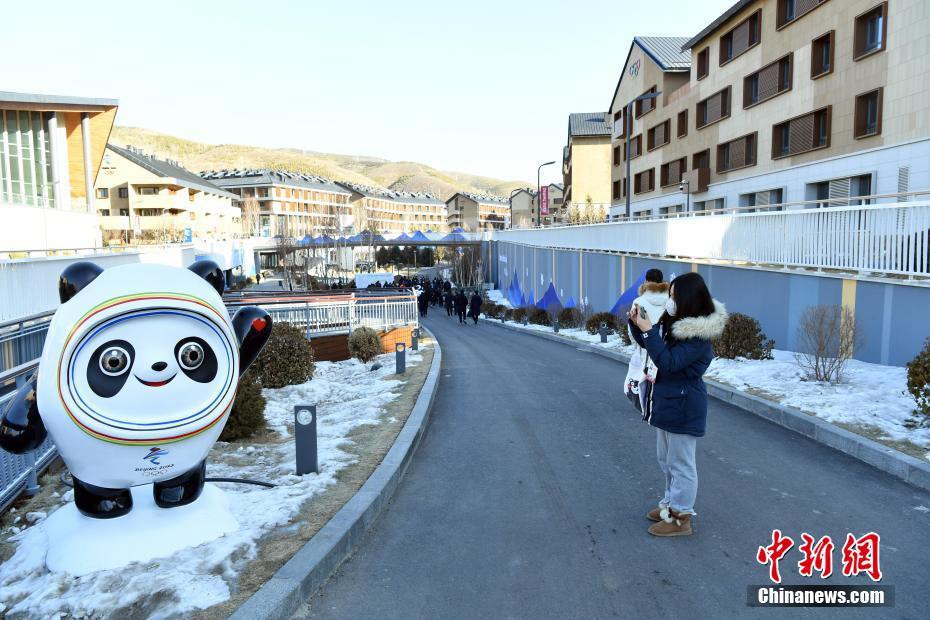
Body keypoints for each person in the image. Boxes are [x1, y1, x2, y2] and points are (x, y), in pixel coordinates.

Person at [627, 272, 727, 538]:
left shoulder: (697, 336)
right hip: (668, 401)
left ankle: (681, 517)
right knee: (667, 461)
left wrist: (649, 332)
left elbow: (668, 362)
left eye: (673, 296)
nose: (669, 301)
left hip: (684, 404)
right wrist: (639, 326)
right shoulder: (677, 323)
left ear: (687, 300)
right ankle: (670, 505)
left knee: (681, 464)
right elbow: (654, 347)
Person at [624, 269, 669, 413]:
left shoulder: (639, 302)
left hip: (645, 344)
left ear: (646, 280)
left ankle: (647, 405)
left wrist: (637, 345)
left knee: (642, 378)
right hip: (665, 346)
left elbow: (634, 326)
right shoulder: (670, 301)